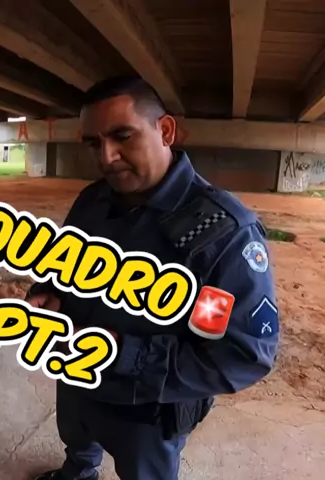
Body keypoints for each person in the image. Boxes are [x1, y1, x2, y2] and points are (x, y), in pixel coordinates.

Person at [26, 76, 280, 480]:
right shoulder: (92, 200)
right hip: (77, 377)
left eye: (122, 136)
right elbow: (63, 262)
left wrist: (125, 355)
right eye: (94, 143)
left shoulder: (222, 235)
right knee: (76, 439)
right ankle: (79, 471)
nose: (107, 157)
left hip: (145, 410)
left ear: (165, 131)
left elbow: (240, 354)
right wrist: (49, 292)